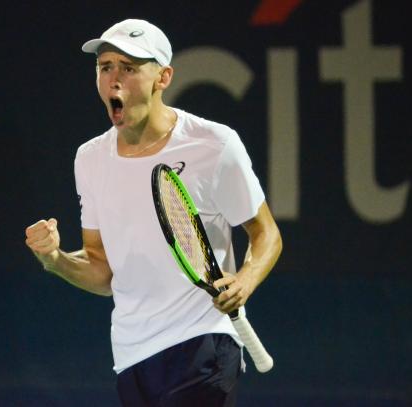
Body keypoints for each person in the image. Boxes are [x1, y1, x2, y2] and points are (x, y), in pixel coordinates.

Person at [25, 19, 282, 406]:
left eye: (128, 69)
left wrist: (245, 280)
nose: (113, 79)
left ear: (163, 78)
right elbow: (101, 270)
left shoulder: (213, 145)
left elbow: (267, 235)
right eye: (105, 67)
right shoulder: (90, 159)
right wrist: (54, 259)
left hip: (204, 347)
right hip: (132, 358)